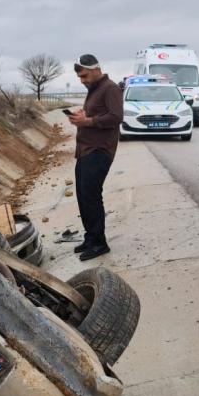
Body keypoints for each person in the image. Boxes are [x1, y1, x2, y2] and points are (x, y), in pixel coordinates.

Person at [67, 54, 123, 261]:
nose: (82, 80)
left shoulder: (110, 88)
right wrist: (82, 117)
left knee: (91, 196)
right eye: (80, 77)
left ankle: (100, 243)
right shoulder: (94, 90)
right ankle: (91, 237)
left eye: (84, 76)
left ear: (96, 70)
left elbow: (117, 117)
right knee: (83, 195)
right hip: (85, 150)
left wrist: (87, 121)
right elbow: (94, 116)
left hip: (100, 151)